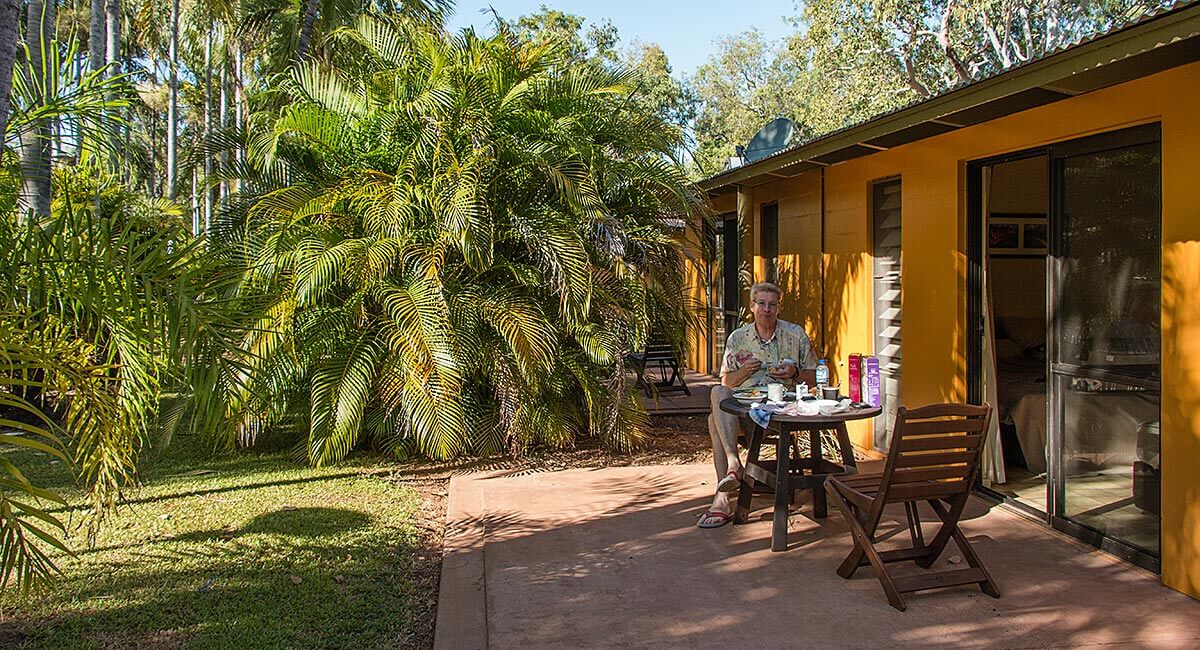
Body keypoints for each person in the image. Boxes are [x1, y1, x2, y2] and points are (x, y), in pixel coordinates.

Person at [697, 281, 819, 528]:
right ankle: (733, 464)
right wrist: (743, 371)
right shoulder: (738, 338)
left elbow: (816, 376)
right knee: (718, 392)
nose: (766, 309)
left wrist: (794, 372)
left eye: (772, 304)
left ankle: (722, 498)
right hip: (745, 414)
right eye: (761, 304)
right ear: (752, 306)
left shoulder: (795, 335)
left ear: (778, 308)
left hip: (782, 413)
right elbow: (727, 381)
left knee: (713, 422)